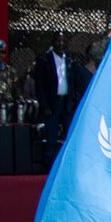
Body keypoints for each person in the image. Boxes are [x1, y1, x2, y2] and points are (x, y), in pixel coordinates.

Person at [32, 36, 76, 165]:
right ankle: (49, 163)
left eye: (63, 41)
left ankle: (68, 163)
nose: (61, 43)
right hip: (51, 103)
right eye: (58, 40)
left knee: (69, 133)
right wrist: (44, 105)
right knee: (51, 135)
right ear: (53, 42)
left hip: (66, 102)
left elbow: (74, 81)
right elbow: (40, 85)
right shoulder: (44, 59)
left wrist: (73, 100)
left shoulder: (70, 59)